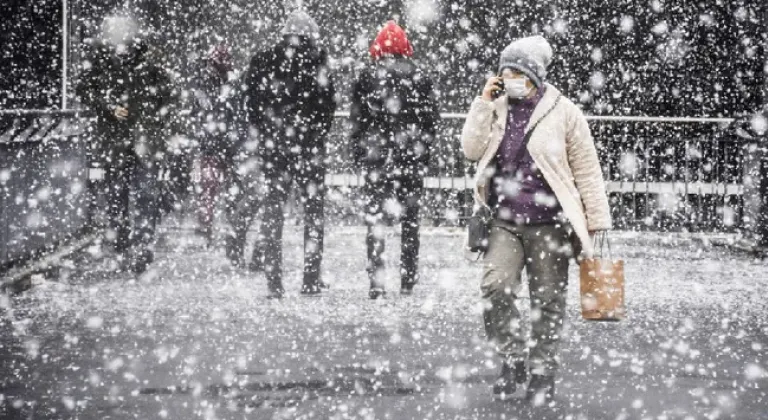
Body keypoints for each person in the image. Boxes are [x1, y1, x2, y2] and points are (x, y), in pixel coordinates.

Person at [460, 35, 611, 404]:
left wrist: (597, 220)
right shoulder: (496, 108)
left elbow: (587, 170)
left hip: (549, 223)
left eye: (516, 72)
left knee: (547, 301)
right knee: (495, 288)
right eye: (504, 72)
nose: (509, 78)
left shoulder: (564, 112)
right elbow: (470, 149)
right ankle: (512, 358)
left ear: (534, 74)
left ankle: (542, 372)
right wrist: (482, 102)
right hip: (504, 220)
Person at [244, 10, 336, 298]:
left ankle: (274, 282)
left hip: (274, 150)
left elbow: (252, 106)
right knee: (313, 215)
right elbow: (327, 107)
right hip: (308, 150)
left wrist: (269, 134)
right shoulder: (318, 62)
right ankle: (310, 278)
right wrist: (313, 135)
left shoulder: (262, 61)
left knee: (273, 212)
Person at [77, 25, 177, 274]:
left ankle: (138, 247)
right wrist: (109, 108)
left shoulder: (151, 72)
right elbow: (84, 90)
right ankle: (127, 246)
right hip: (122, 143)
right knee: (120, 196)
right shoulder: (107, 69)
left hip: (137, 143)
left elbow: (169, 102)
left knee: (139, 195)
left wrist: (153, 124)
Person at [350, 21, 439, 299]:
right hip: (410, 157)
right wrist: (423, 151)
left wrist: (359, 152)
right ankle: (408, 279)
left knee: (375, 219)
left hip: (377, 158)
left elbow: (358, 120)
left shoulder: (366, 75)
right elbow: (430, 121)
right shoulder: (420, 76)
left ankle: (376, 281)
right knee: (410, 221)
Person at [190, 43, 237, 245]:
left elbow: (203, 110)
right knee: (215, 187)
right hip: (219, 142)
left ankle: (209, 226)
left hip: (216, 141)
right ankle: (215, 226)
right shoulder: (215, 82)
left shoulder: (207, 81)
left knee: (211, 187)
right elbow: (215, 109)